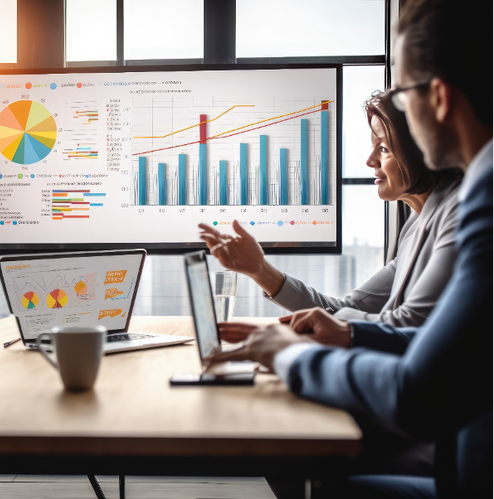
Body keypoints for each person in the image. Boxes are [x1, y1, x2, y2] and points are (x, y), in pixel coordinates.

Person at [210, 0, 494, 496]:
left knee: (294, 451)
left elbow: (419, 381)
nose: (370, 159)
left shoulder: (479, 196)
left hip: (460, 467)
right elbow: (406, 334)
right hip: (456, 449)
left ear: (441, 98)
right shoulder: (425, 219)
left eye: (403, 100)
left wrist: (293, 358)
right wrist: (329, 326)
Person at [200, 93, 461, 329]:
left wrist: (322, 323)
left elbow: (410, 323)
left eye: (383, 148)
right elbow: (350, 310)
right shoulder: (416, 223)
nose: (370, 160)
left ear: (421, 150)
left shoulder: (456, 216)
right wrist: (259, 269)